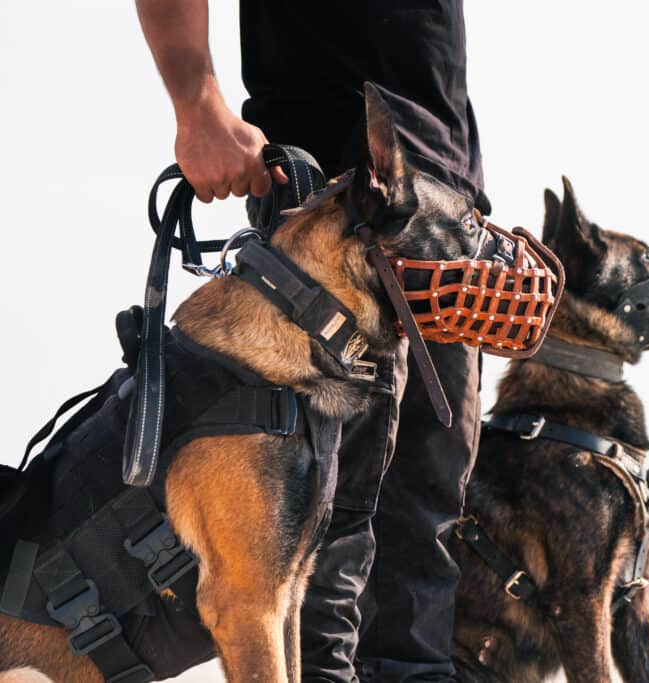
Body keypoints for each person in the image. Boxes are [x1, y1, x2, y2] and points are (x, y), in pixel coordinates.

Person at [135, 2, 487, 681]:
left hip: (441, 199)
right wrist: (198, 104)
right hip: (332, 202)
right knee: (329, 510)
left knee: (428, 499)